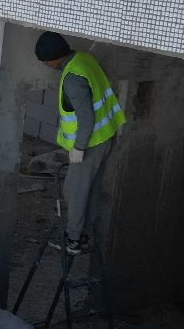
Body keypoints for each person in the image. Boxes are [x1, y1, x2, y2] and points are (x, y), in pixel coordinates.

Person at [34, 31, 126, 250]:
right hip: (106, 137)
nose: (47, 65)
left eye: (47, 61)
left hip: (91, 143)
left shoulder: (73, 78)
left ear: (56, 56)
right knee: (90, 188)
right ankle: (83, 233)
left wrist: (78, 148)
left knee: (74, 191)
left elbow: (86, 118)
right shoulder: (84, 59)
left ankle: (73, 239)